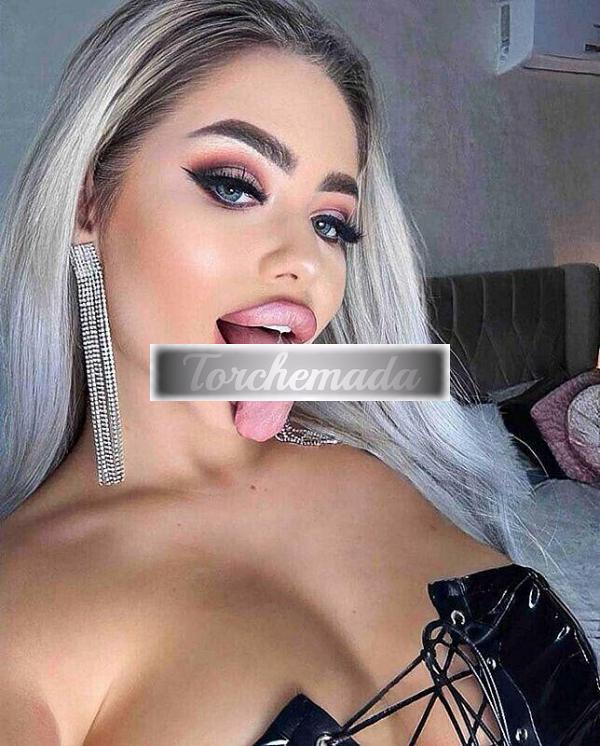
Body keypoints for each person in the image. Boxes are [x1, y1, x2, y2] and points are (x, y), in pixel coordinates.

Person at [0, 0, 598, 743]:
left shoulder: (385, 463)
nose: (308, 263)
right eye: (234, 186)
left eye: (330, 223)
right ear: (89, 203)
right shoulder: (22, 615)